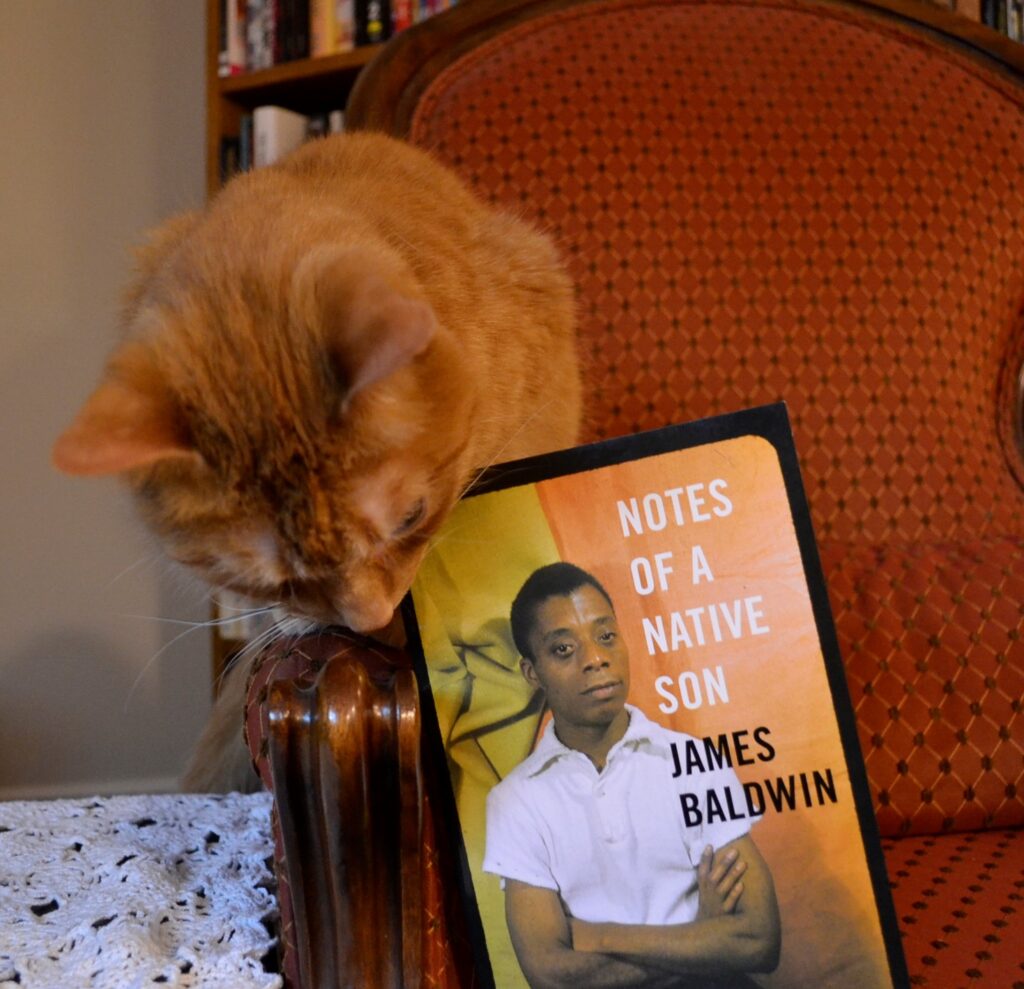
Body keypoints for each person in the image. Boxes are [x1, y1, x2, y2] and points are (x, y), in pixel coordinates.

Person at [483, 562, 781, 988]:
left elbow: (759, 941)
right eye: (564, 649)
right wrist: (702, 936)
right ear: (533, 673)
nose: (596, 659)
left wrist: (599, 936)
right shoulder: (515, 801)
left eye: (606, 636)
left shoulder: (692, 760)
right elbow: (552, 978)